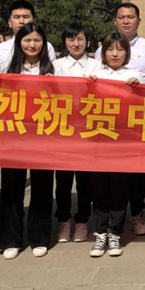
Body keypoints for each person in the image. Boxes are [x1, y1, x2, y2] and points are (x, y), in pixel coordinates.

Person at [96, 2, 145, 237]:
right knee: (108, 174)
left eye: (131, 17)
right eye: (122, 17)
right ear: (115, 21)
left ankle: (136, 214)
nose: (126, 21)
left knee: (137, 173)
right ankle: (109, 221)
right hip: (106, 123)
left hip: (137, 122)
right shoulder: (103, 49)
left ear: (138, 21)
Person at [0, 23, 56, 260]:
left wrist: (55, 84)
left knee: (42, 187)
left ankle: (39, 238)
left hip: (43, 137)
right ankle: (10, 239)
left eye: (37, 40)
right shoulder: (8, 69)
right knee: (11, 188)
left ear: (44, 44)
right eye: (27, 40)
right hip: (14, 137)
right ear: (19, 43)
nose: (32, 45)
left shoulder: (53, 69)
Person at [88, 33, 140, 257]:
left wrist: (137, 89)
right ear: (103, 52)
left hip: (123, 143)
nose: (115, 54)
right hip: (98, 141)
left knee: (120, 188)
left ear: (127, 53)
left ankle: (115, 232)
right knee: (99, 189)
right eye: (110, 49)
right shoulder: (94, 74)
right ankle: (100, 233)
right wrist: (88, 86)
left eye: (120, 49)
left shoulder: (134, 75)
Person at [52, 23, 101, 244]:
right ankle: (63, 221)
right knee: (63, 180)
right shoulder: (56, 65)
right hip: (63, 131)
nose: (76, 43)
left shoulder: (97, 65)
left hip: (88, 131)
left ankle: (82, 221)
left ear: (87, 41)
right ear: (65, 42)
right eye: (71, 39)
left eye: (80, 39)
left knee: (84, 181)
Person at [0, 0, 56, 72]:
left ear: (34, 21)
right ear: (9, 22)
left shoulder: (47, 47)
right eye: (17, 17)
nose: (21, 21)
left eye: (26, 17)